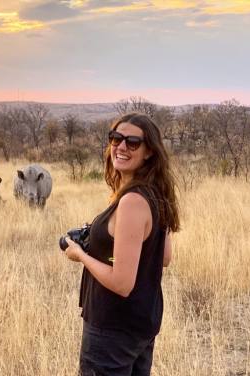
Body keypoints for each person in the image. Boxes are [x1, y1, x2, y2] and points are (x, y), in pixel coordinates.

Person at [64, 113, 180, 376]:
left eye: (133, 142)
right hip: (139, 326)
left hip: (112, 327)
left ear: (149, 151)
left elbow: (122, 283)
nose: (121, 146)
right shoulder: (154, 195)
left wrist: (80, 254)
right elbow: (164, 257)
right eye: (115, 138)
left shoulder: (132, 202)